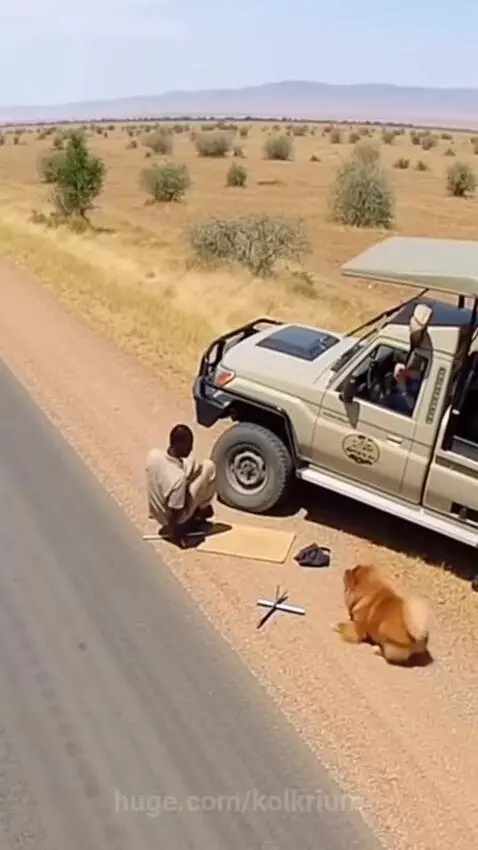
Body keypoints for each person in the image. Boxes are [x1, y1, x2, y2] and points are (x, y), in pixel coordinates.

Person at [146, 424, 216, 545]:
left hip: (157, 511)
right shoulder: (178, 479)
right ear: (179, 444)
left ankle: (200, 507)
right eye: (188, 445)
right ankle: (200, 511)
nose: (191, 448)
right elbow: (176, 516)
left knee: (197, 465)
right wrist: (179, 537)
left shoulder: (153, 455)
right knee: (209, 467)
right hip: (172, 518)